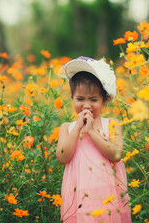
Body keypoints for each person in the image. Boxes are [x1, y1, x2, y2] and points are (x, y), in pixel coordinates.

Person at [56, 56, 132, 223]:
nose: (86, 105)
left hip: (107, 195)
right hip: (78, 199)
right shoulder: (67, 128)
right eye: (80, 99)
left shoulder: (111, 124)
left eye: (94, 100)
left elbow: (117, 154)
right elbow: (62, 157)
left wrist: (91, 131)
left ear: (104, 100)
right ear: (72, 97)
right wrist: (77, 128)